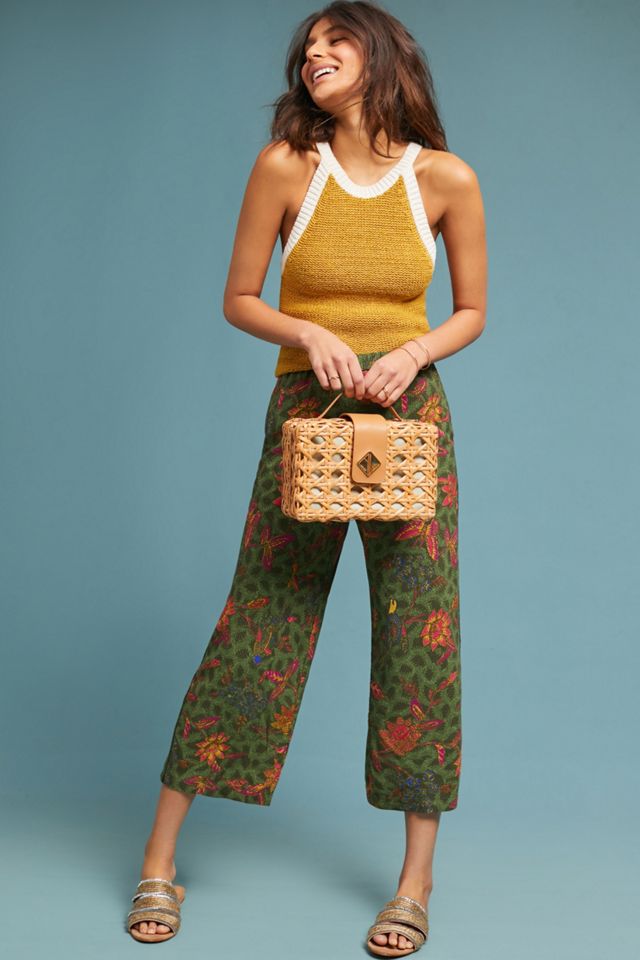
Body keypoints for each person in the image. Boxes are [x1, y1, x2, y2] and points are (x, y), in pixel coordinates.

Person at [126, 1, 487, 954]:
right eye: (307, 48)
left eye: (335, 40)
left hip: (410, 421)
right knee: (262, 620)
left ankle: (414, 883)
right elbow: (240, 297)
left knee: (420, 634)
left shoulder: (445, 178)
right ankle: (159, 858)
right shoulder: (288, 167)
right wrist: (306, 331)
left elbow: (472, 310)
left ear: (383, 55)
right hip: (306, 418)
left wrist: (412, 353)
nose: (314, 55)